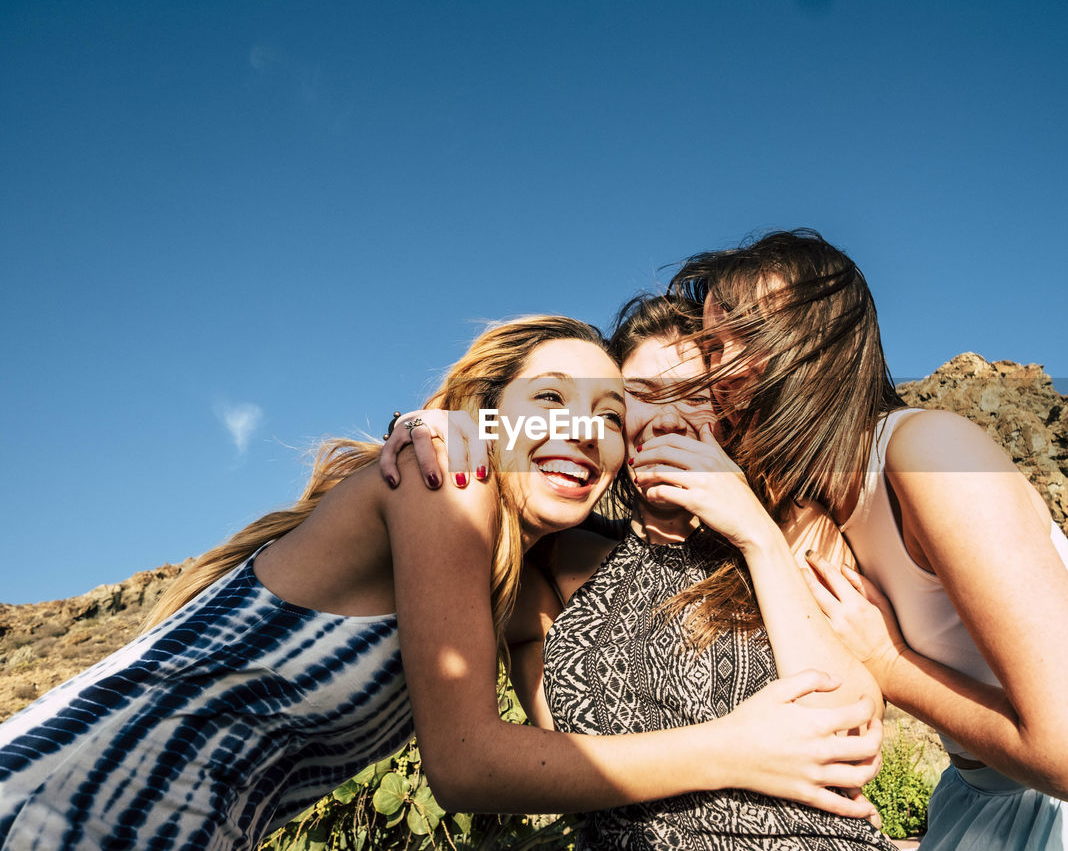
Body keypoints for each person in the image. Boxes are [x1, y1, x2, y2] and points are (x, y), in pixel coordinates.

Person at [0, 316, 881, 851]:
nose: (581, 430)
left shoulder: (510, 563)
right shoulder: (450, 473)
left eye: (609, 416)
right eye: (549, 401)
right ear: (488, 411)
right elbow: (463, 762)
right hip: (78, 798)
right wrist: (736, 747)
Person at [665, 229, 1068, 850]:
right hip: (994, 799)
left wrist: (889, 664)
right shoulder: (806, 506)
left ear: (826, 346)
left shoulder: (928, 453)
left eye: (746, 338)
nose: (717, 370)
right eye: (712, 346)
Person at [510, 295, 896, 850]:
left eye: (692, 394)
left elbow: (850, 734)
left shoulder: (796, 532)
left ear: (728, 409)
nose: (665, 417)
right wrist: (439, 427)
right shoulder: (559, 558)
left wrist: (754, 533)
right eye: (639, 397)